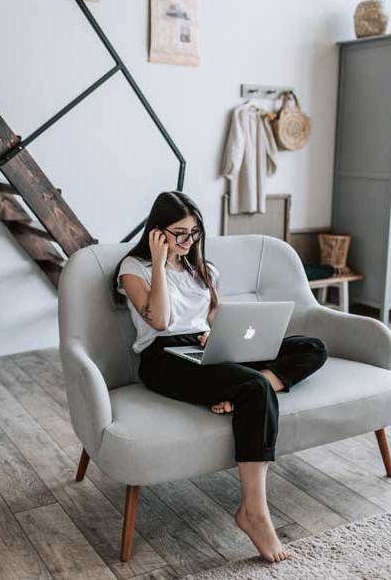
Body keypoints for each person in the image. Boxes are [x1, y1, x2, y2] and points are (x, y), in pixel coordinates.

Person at [112, 191, 328, 564]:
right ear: (157, 232)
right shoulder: (134, 269)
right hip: (164, 357)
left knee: (312, 347)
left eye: (194, 233)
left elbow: (218, 319)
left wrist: (219, 336)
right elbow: (160, 321)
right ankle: (254, 513)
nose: (188, 242)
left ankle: (250, 385)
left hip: (205, 348)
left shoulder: (205, 270)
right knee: (255, 387)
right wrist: (160, 264)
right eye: (179, 233)